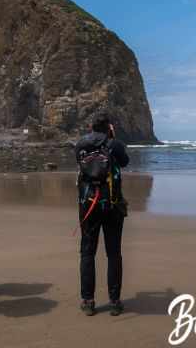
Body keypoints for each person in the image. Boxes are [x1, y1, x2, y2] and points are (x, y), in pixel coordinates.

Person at [75, 112, 130, 317]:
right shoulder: (114, 144)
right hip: (112, 204)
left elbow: (80, 165)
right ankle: (114, 301)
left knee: (87, 252)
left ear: (91, 126)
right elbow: (124, 162)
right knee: (113, 253)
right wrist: (113, 139)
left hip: (88, 203)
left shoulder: (81, 144)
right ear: (109, 127)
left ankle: (88, 301)